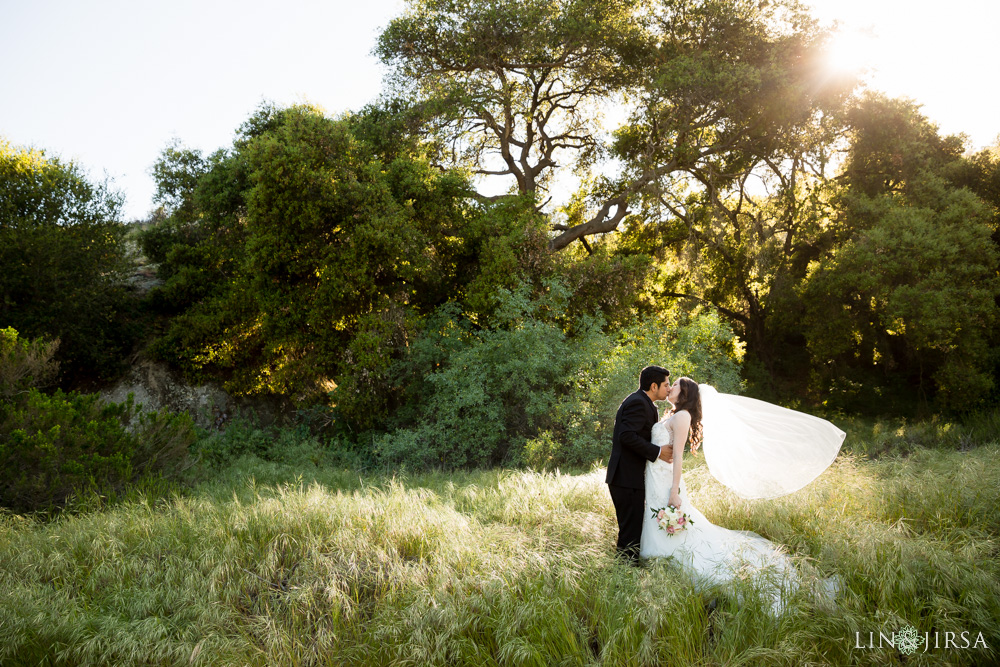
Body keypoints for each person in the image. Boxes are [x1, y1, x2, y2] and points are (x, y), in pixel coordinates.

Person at [639, 377, 845, 615]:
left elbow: (678, 457)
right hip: (655, 481)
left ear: (684, 393)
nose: (671, 387)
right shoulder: (670, 415)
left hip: (667, 484)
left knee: (681, 533)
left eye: (675, 385)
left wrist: (674, 491)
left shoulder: (682, 416)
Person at [606, 365, 675, 564]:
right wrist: (658, 452)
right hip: (625, 478)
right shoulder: (637, 403)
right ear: (654, 386)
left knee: (633, 529)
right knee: (630, 531)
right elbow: (626, 436)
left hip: (631, 478)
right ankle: (625, 574)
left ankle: (627, 570)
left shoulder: (646, 403)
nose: (669, 389)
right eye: (666, 385)